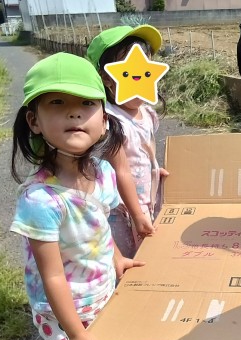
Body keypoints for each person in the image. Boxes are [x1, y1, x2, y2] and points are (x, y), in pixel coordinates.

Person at [10, 52, 145, 340]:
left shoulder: (102, 173)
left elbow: (101, 226)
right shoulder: (41, 199)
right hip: (63, 311)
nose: (75, 113)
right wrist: (75, 334)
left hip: (102, 293)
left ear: (104, 118)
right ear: (34, 120)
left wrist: (118, 259)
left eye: (87, 103)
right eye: (58, 103)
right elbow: (52, 274)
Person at [86, 25, 169, 258]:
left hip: (146, 200)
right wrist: (136, 214)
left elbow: (145, 148)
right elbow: (120, 170)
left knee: (149, 255)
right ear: (107, 78)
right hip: (123, 209)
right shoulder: (110, 120)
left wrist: (154, 170)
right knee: (129, 259)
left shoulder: (147, 112)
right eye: (129, 71)